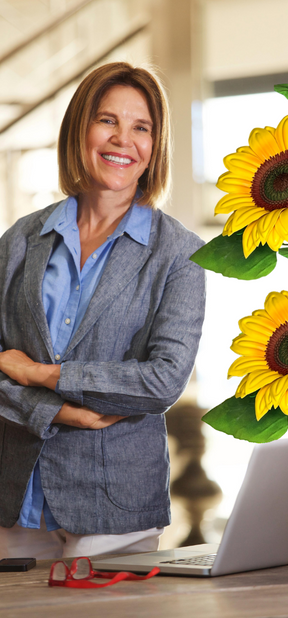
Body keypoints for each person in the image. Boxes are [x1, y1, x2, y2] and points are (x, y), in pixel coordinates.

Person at [0, 62, 206, 559]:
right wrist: (59, 410)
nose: (123, 140)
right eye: (107, 120)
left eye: (142, 127)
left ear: (156, 146)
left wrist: (44, 374)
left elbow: (161, 382)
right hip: (12, 500)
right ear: (80, 129)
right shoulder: (19, 240)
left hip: (114, 511)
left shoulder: (180, 255)